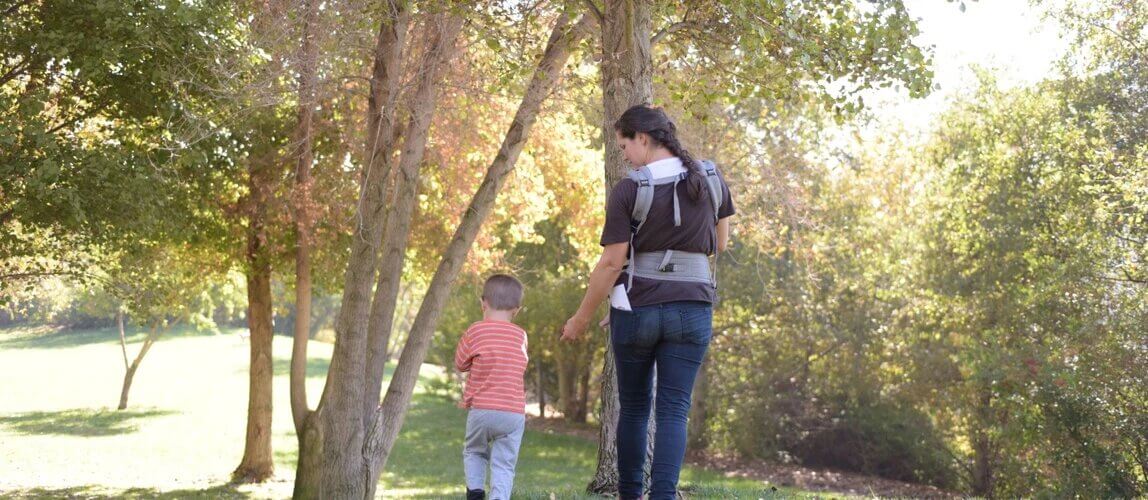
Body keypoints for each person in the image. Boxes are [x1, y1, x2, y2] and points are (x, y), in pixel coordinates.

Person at [561, 104, 735, 499]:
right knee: (674, 408)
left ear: (643, 138)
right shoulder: (710, 178)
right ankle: (664, 496)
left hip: (636, 312)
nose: (623, 154)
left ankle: (629, 494)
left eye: (624, 144)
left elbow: (611, 262)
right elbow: (720, 243)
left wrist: (582, 317)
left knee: (636, 407)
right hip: (692, 309)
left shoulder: (630, 189)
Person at [455, 274, 529, 500]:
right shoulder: (521, 335)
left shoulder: (476, 330)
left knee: (475, 451)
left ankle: (476, 493)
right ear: (516, 310)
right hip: (514, 413)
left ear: (483, 303)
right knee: (504, 463)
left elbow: (460, 363)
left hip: (483, 410)